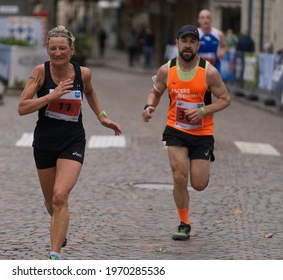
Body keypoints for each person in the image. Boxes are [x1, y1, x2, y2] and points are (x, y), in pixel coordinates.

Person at [17, 25, 122, 260]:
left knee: (59, 196)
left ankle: (54, 254)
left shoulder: (83, 73)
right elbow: (22, 107)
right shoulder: (40, 73)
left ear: (71, 49)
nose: (57, 53)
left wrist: (102, 117)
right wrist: (51, 96)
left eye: (62, 48)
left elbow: (90, 92)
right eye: (52, 48)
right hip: (44, 142)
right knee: (50, 202)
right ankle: (59, 227)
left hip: (72, 141)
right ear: (47, 50)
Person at [141, 25, 231, 241]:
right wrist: (148, 106)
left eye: (192, 41)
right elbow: (155, 92)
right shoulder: (167, 70)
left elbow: (225, 99)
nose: (188, 45)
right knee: (179, 177)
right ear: (177, 43)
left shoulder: (209, 72)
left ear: (198, 45)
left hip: (202, 132)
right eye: (184, 41)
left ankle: (202, 168)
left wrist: (203, 111)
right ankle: (184, 223)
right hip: (176, 129)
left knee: (198, 184)